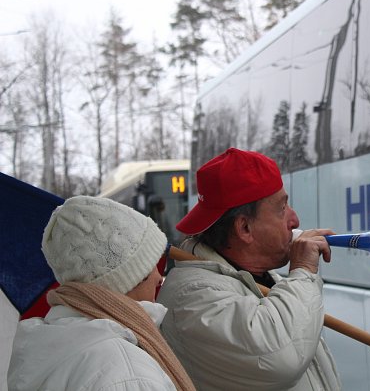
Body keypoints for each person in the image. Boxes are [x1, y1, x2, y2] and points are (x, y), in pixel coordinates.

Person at [157, 148, 342, 390]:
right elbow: (280, 357)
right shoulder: (192, 297)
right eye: (281, 208)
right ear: (244, 228)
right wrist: (304, 271)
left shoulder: (256, 278)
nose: (295, 220)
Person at [8, 196, 195, 391]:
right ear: (131, 278)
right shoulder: (128, 374)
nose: (159, 278)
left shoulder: (47, 343)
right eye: (151, 265)